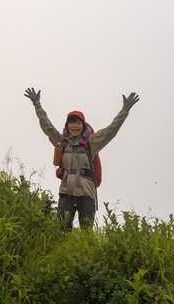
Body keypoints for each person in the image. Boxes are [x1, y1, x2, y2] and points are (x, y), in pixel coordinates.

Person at [24, 88, 139, 230]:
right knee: (61, 229)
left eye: (78, 123)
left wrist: (125, 110)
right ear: (67, 126)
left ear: (83, 126)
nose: (75, 126)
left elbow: (111, 130)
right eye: (71, 123)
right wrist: (37, 105)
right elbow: (47, 127)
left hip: (86, 192)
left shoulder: (91, 142)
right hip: (66, 191)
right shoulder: (61, 142)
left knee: (86, 232)